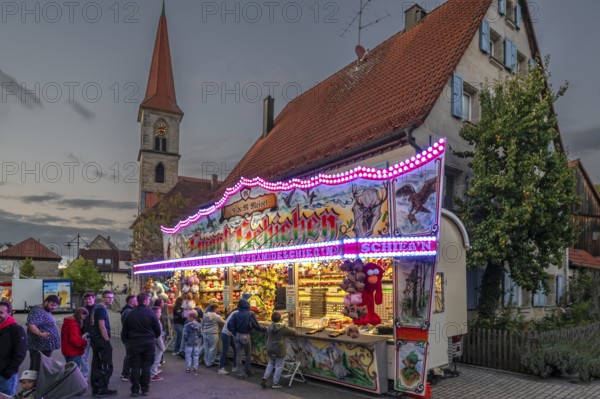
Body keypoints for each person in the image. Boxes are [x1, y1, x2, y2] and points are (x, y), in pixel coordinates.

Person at [122, 292, 161, 397]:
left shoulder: (130, 314)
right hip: (148, 343)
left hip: (134, 343)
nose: (149, 302)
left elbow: (124, 331)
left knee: (135, 366)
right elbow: (158, 330)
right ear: (145, 301)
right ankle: (145, 389)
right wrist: (153, 337)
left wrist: (127, 342)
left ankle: (135, 389)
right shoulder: (151, 313)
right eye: (148, 300)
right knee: (146, 366)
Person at [227, 299, 266, 379]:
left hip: (237, 336)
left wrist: (235, 333)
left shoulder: (235, 314)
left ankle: (240, 373)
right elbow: (256, 325)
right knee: (248, 354)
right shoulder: (250, 314)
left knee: (239, 355)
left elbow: (229, 325)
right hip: (246, 335)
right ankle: (248, 371)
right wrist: (263, 329)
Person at [88, 290, 117, 397]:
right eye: (108, 297)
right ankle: (102, 388)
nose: (111, 299)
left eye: (112, 297)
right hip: (101, 341)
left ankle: (96, 388)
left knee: (96, 364)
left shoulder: (96, 308)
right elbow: (102, 326)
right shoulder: (101, 309)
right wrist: (107, 341)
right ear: (102, 298)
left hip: (95, 340)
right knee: (107, 365)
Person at [261, 311, 296, 389]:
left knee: (271, 363)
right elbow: (293, 331)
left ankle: (265, 377)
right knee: (279, 365)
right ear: (280, 319)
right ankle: (275, 383)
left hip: (270, 348)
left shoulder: (269, 326)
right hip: (279, 349)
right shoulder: (283, 327)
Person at [25, 295, 61, 369]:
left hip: (43, 347)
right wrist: (41, 334)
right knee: (37, 368)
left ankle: (36, 380)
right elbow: (30, 324)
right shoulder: (37, 311)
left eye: (55, 306)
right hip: (40, 347)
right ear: (45, 302)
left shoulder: (44, 310)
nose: (53, 307)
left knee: (37, 366)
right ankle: (34, 380)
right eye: (52, 305)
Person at [0, 301, 27, 396]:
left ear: (9, 313)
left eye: (1, 313)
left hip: (5, 377)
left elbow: (20, 353)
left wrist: (8, 372)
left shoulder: (16, 330)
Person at [119, 295, 138, 382]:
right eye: (135, 300)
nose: (137, 302)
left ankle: (125, 373)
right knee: (129, 355)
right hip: (129, 336)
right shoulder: (128, 311)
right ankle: (126, 374)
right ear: (131, 301)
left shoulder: (127, 310)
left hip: (127, 335)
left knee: (129, 354)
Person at [217, 307, 238, 375]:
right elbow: (231, 325)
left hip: (228, 334)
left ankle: (235, 366)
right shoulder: (236, 314)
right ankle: (221, 368)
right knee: (224, 351)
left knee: (235, 349)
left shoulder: (233, 313)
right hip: (227, 334)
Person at [150, 306, 165, 382]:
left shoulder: (150, 319)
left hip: (151, 342)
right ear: (156, 313)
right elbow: (158, 335)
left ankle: (151, 373)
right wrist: (162, 347)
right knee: (156, 360)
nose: (161, 314)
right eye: (159, 312)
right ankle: (153, 375)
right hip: (156, 344)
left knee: (152, 359)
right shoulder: (157, 321)